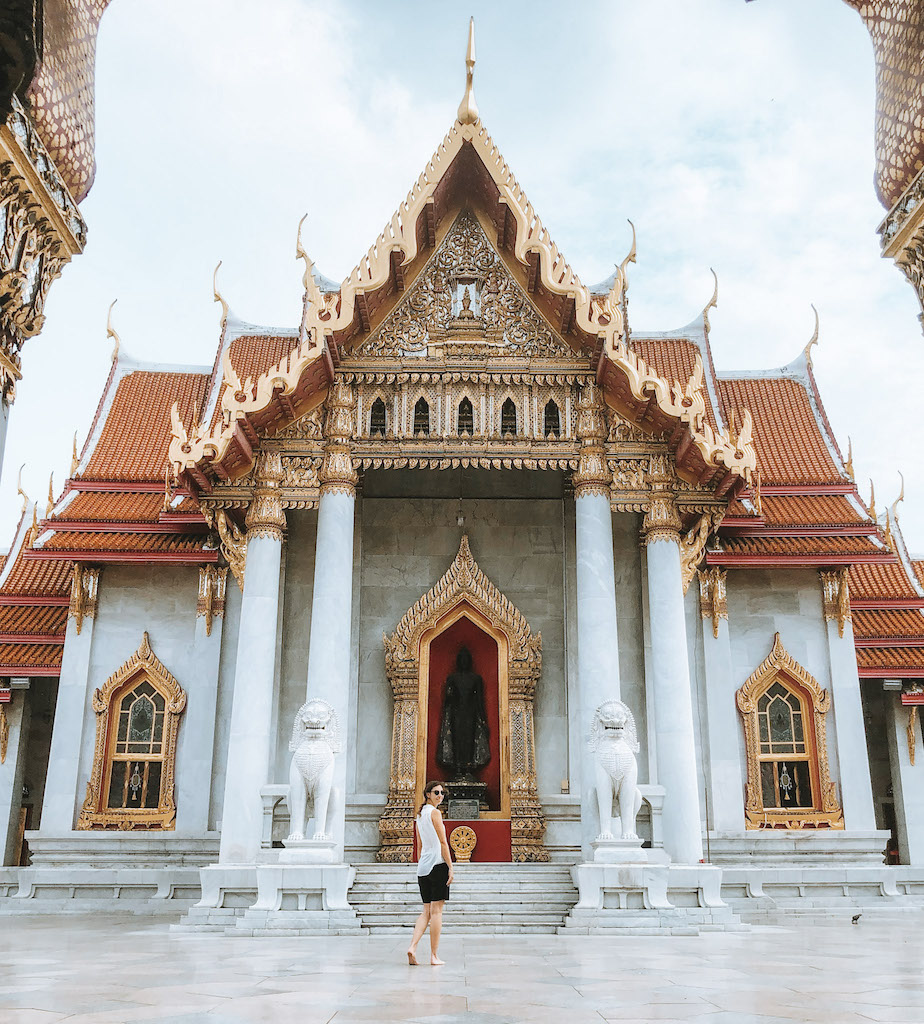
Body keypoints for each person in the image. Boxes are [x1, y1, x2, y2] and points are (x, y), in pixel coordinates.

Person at [407, 780, 454, 966]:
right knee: (436, 912)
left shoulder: (420, 815)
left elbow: (419, 844)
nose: (440, 796)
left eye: (442, 792)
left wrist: (421, 864)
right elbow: (443, 843)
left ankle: (413, 946)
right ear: (428, 794)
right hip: (437, 864)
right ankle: (434, 955)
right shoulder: (435, 813)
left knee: (425, 911)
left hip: (423, 868)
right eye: (436, 792)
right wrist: (450, 867)